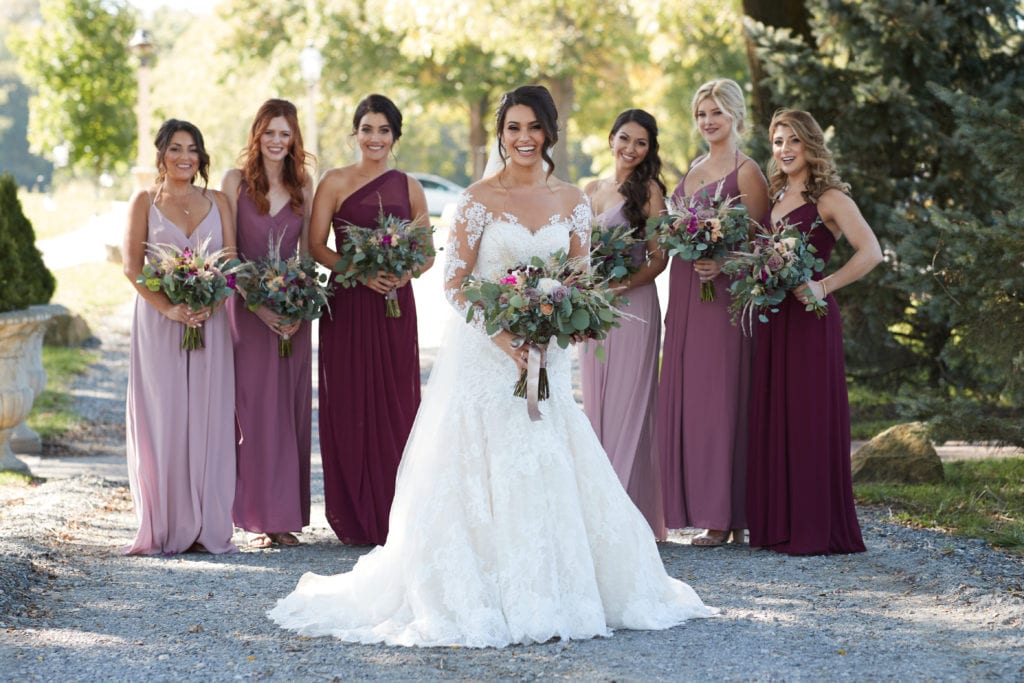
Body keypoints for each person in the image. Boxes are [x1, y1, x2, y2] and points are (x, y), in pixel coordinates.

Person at [268, 85, 716, 647]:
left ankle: (559, 582)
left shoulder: (572, 199)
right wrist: (505, 336)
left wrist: (554, 325)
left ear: (549, 133)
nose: (522, 139)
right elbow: (456, 285)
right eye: (512, 128)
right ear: (501, 134)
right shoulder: (478, 199)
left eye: (532, 128)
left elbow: (580, 281)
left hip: (545, 358)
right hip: (486, 357)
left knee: (548, 457)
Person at [747, 108, 882, 555]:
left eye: (793, 142)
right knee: (776, 413)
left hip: (810, 320)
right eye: (777, 141)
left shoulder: (829, 197)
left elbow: (872, 252)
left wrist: (823, 285)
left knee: (807, 416)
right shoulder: (776, 193)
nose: (783, 150)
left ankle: (814, 526)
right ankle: (779, 524)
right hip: (774, 320)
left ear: (810, 145)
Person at [309, 94, 432, 546]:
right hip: (348, 305)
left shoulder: (409, 186)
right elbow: (317, 246)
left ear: (395, 136)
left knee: (397, 401)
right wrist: (360, 271)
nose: (374, 138)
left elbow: (427, 253)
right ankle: (354, 511)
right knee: (349, 401)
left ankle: (396, 511)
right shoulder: (334, 181)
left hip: (394, 307)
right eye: (367, 129)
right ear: (355, 134)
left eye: (383, 130)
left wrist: (402, 271)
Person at [656, 79, 770, 546]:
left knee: (719, 403)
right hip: (686, 295)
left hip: (722, 302)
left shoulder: (747, 172)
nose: (708, 121)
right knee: (689, 400)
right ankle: (697, 506)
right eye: (702, 113)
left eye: (717, 113)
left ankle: (725, 516)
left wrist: (722, 262)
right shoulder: (696, 166)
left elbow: (764, 246)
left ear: (736, 117)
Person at [122, 119, 237, 555]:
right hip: (159, 322)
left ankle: (208, 523)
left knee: (209, 414)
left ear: (202, 156)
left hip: (211, 321)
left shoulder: (219, 201)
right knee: (165, 416)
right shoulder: (143, 202)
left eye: (192, 149)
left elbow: (230, 262)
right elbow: (133, 267)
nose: (184, 157)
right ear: (161, 154)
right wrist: (170, 306)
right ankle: (166, 523)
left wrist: (213, 302)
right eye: (175, 149)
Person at [222, 99, 315, 549]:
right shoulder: (234, 182)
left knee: (289, 409)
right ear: (256, 135)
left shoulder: (303, 184)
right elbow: (228, 256)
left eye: (286, 133)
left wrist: (298, 307)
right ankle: (257, 517)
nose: (278, 141)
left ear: (294, 138)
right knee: (255, 410)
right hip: (247, 310)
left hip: (293, 313)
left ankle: (286, 517)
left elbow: (310, 255)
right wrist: (259, 306)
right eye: (270, 133)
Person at [579, 109, 669, 541]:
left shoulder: (649, 191)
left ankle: (627, 518)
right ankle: (598, 511)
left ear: (649, 150)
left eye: (641, 143)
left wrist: (621, 287)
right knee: (596, 404)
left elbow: (658, 258)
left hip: (633, 305)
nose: (631, 149)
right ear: (611, 138)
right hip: (595, 310)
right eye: (625, 139)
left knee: (628, 404)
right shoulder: (591, 190)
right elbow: (577, 252)